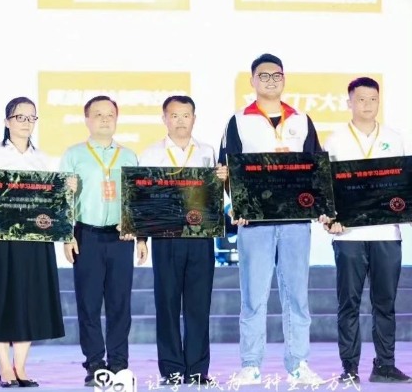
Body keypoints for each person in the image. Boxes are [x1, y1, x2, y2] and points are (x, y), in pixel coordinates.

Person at [219, 54, 329, 387]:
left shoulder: (302, 120)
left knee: (297, 296)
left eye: (276, 75)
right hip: (255, 222)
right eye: (263, 75)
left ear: (284, 79)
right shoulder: (239, 121)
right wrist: (238, 205)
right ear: (252, 81)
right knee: (253, 296)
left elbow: (317, 167)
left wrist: (322, 207)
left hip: (296, 220)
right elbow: (228, 169)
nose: (270, 80)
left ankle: (298, 364)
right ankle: (251, 364)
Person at [0, 97, 66, 388]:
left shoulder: (44, 159)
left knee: (29, 302)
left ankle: (20, 367)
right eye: (19, 117)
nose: (26, 123)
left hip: (34, 239)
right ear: (7, 121)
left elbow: (54, 201)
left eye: (31, 117)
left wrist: (67, 188)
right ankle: (4, 368)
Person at [323, 77, 412, 384]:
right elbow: (326, 188)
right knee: (348, 304)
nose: (367, 105)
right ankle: (349, 368)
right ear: (349, 102)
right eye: (360, 99)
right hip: (349, 235)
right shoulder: (334, 140)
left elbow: (402, 183)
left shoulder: (394, 138)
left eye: (373, 99)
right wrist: (329, 219)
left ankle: (384, 365)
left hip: (387, 233)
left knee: (385, 304)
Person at [138, 95, 227, 386]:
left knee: (198, 305)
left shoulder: (207, 151)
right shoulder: (150, 154)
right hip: (165, 238)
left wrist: (224, 179)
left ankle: (198, 369)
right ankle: (172, 369)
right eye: (174, 115)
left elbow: (215, 197)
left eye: (185, 115)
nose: (180, 121)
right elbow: (142, 199)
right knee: (166, 304)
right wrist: (141, 238)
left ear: (194, 119)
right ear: (164, 119)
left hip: (200, 238)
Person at [59, 95, 145, 387]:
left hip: (122, 236)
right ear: (87, 120)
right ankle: (95, 364)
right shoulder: (74, 154)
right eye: (98, 114)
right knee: (89, 303)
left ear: (117, 119)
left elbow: (138, 199)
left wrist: (140, 235)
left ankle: (119, 364)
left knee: (120, 303)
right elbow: (62, 199)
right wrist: (66, 235)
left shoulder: (129, 155)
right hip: (87, 236)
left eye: (110, 114)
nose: (105, 119)